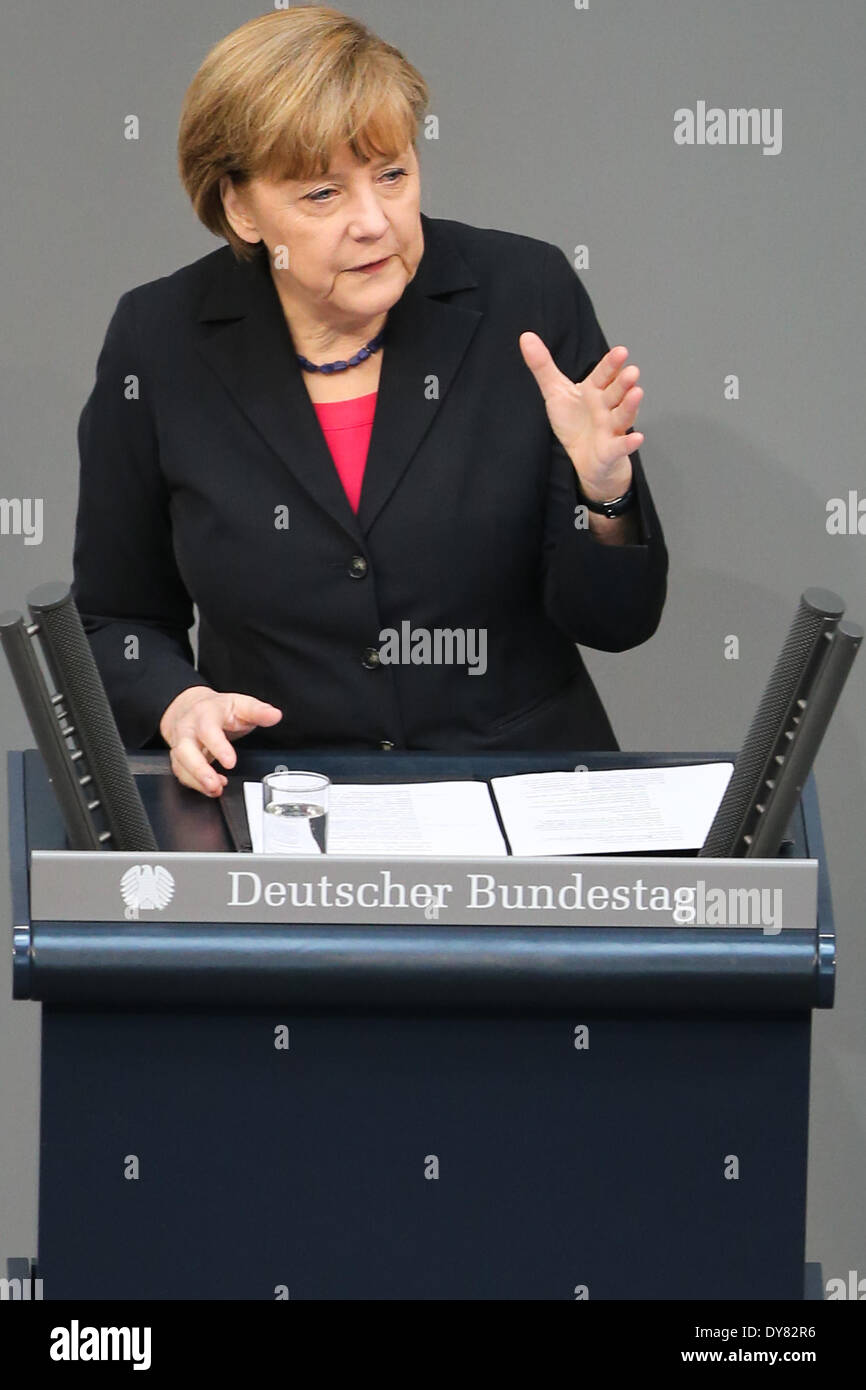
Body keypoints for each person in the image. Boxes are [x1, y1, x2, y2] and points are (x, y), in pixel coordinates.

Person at [71, 6, 668, 799]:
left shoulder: (525, 296)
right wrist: (180, 703)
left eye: (392, 175)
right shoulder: (159, 340)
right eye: (323, 194)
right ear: (241, 209)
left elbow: (616, 623)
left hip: (521, 802)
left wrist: (606, 493)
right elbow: (115, 619)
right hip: (286, 804)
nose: (373, 222)